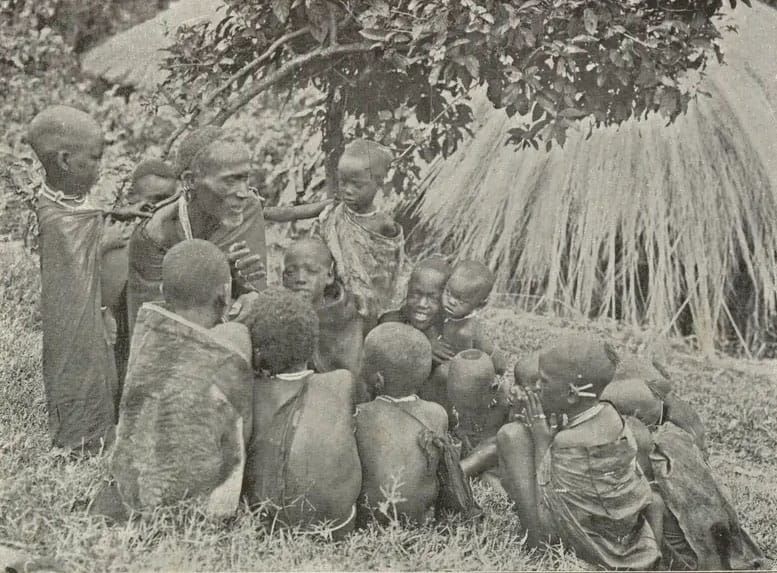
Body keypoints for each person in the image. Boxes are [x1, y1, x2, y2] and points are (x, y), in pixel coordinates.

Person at [96, 239, 254, 521]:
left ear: (162, 290)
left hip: (132, 495)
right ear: (226, 292)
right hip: (198, 513)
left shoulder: (146, 328)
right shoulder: (234, 339)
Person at [126, 127, 330, 333]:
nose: (243, 192)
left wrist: (236, 283)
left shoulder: (246, 208)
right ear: (190, 181)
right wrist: (215, 277)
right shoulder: (154, 236)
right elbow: (152, 331)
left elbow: (255, 299)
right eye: (230, 180)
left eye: (244, 178)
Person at [496, 336, 664, 570]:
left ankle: (536, 544)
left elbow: (549, 502)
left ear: (572, 395)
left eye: (542, 382)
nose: (535, 388)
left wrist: (543, 440)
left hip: (590, 544)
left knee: (511, 437)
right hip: (619, 531)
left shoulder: (568, 441)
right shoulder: (610, 413)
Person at [27, 105, 135, 452]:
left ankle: (99, 428)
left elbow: (87, 217)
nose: (100, 169)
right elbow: (72, 273)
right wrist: (102, 244)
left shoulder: (69, 204)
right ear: (64, 161)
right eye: (94, 159)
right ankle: (81, 439)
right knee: (79, 368)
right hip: (73, 325)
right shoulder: (56, 219)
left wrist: (108, 218)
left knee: (102, 367)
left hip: (93, 316)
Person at [243, 287, 361, 539]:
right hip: (339, 527)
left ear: (258, 350)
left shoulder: (254, 391)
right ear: (312, 340)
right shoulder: (342, 382)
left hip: (272, 528)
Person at [355, 323, 480, 527]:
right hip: (420, 520)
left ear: (378, 379)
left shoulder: (360, 414)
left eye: (363, 361)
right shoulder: (437, 413)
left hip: (371, 519)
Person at [102, 159, 178, 393]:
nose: (159, 207)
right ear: (134, 199)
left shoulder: (174, 230)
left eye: (168, 198)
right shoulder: (116, 234)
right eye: (154, 200)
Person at [317, 139, 408, 330]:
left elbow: (392, 268)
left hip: (374, 302)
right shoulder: (336, 211)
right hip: (340, 295)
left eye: (357, 185)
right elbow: (295, 213)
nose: (347, 191)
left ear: (379, 183)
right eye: (343, 183)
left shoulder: (383, 224)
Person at [281, 238, 365, 390]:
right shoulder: (277, 315)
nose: (300, 279)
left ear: (329, 276)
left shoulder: (348, 317)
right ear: (283, 278)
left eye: (311, 271)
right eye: (291, 272)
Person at [437, 260, 507, 374]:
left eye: (461, 300)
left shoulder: (465, 331)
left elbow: (465, 366)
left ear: (479, 305)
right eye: (448, 292)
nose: (451, 301)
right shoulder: (442, 310)